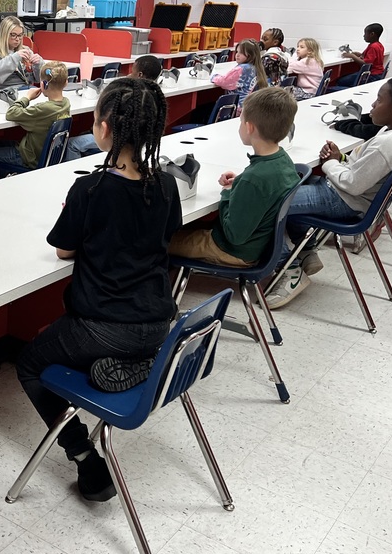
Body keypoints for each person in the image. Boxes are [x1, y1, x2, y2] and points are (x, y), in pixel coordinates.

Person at [16, 78, 183, 503]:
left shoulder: (90, 189)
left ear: (104, 128)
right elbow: (165, 238)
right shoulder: (166, 186)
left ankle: (84, 455)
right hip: (159, 321)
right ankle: (142, 361)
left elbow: (63, 251)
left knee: (30, 364)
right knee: (76, 342)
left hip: (104, 326)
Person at [268, 72, 392, 308]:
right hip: (347, 195)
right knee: (296, 183)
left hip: (343, 200)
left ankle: (289, 269)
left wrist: (329, 164)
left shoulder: (387, 144)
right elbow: (364, 167)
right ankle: (305, 251)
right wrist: (341, 158)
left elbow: (353, 184)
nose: (373, 105)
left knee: (271, 204)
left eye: (379, 100)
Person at [169, 87, 300, 267]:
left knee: (158, 240)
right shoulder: (282, 161)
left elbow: (234, 235)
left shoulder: (254, 179)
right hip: (256, 244)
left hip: (232, 250)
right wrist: (239, 183)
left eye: (240, 121)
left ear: (249, 127)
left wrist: (228, 192)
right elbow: (262, 189)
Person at [64, 54, 162, 161]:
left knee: (72, 144)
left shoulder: (127, 96)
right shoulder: (153, 97)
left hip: (116, 139)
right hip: (135, 141)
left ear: (139, 75)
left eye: (132, 71)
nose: (129, 74)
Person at [0, 61, 70, 171]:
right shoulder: (66, 103)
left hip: (28, 158)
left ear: (43, 85)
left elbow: (11, 113)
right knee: (1, 143)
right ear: (66, 83)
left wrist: (27, 98)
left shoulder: (43, 109)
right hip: (45, 156)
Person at [0, 15, 43, 94]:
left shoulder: (25, 50)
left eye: (20, 35)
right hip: (0, 93)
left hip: (23, 90)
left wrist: (38, 64)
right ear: (4, 34)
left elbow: (38, 79)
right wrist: (15, 58)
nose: (17, 39)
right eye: (13, 35)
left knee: (46, 92)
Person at [211, 38, 268, 106]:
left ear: (250, 55)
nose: (237, 55)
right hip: (249, 106)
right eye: (237, 52)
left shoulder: (241, 69)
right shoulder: (256, 67)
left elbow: (224, 81)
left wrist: (214, 77)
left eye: (241, 53)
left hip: (238, 107)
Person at [334, 23, 385, 88]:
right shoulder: (379, 45)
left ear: (372, 34)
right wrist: (358, 54)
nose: (363, 36)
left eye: (365, 33)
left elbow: (365, 64)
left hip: (372, 75)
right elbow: (371, 57)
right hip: (378, 73)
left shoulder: (373, 46)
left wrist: (352, 56)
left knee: (340, 81)